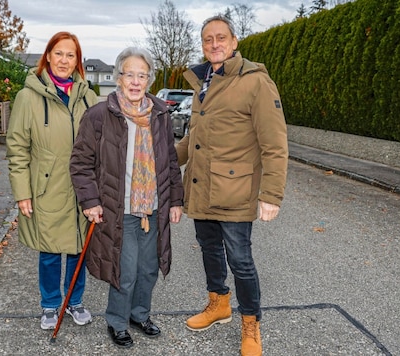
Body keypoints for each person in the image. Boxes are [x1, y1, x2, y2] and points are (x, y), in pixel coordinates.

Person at [175, 15, 288, 356]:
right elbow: (194, 137)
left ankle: (250, 324)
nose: (214, 44)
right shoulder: (203, 81)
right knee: (209, 250)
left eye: (221, 38)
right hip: (201, 186)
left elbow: (275, 142)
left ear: (235, 41)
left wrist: (271, 194)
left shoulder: (255, 81)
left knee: (240, 260)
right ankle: (218, 304)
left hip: (235, 190)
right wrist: (160, 160)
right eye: (208, 39)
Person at [69, 47, 184, 348]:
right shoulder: (99, 115)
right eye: (129, 74)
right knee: (126, 270)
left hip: (154, 208)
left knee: (149, 268)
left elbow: (170, 161)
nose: (135, 81)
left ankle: (139, 314)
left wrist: (176, 200)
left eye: (141, 75)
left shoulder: (159, 114)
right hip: (119, 209)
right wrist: (90, 201)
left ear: (149, 79)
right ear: (119, 78)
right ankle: (117, 321)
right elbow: (80, 163)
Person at [6, 31, 98, 331]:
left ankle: (74, 301)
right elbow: (17, 149)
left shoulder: (89, 97)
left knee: (76, 249)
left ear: (77, 61)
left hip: (81, 189)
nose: (64, 60)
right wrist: (23, 193)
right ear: (47, 56)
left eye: (70, 55)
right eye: (59, 53)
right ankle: (49, 304)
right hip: (45, 189)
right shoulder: (28, 97)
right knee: (49, 253)